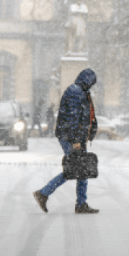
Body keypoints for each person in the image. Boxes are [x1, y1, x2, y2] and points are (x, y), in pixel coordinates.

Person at [33, 68, 98, 214]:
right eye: (92, 82)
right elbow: (73, 118)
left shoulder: (82, 92)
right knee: (74, 169)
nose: (92, 85)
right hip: (70, 137)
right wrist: (76, 140)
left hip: (77, 138)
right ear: (87, 80)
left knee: (82, 170)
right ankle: (43, 193)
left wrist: (88, 131)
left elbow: (85, 115)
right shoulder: (75, 92)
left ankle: (81, 203)